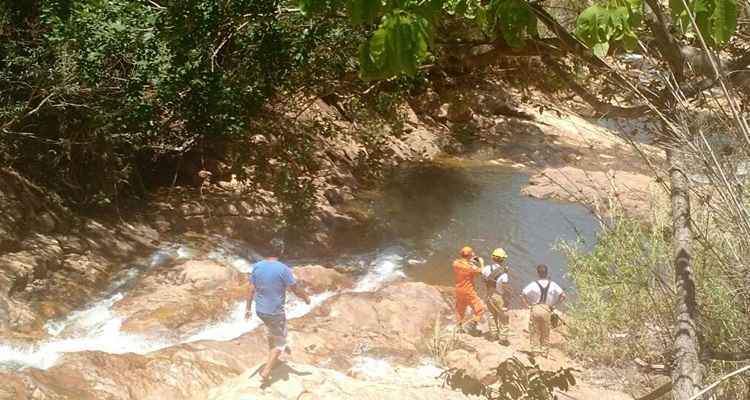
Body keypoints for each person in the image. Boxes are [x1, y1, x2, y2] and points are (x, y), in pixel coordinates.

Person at [245, 239, 310, 383]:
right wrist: (306, 298)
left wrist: (247, 308)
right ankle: (267, 370)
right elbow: (295, 289)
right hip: (274, 312)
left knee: (271, 333)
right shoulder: (283, 269)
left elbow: (250, 289)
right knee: (281, 342)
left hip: (260, 310)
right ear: (280, 251)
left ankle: (273, 360)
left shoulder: (257, 266)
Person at [521, 264, 566, 357]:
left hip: (536, 308)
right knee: (546, 331)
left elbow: (523, 294)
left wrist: (528, 305)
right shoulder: (553, 284)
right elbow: (563, 296)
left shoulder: (533, 284)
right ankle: (544, 352)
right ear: (546, 273)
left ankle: (535, 351)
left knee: (534, 330)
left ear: (538, 273)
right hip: (547, 309)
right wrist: (554, 305)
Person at [481, 248, 511, 346]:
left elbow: (484, 279)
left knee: (491, 314)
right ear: (503, 260)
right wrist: (507, 302)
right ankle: (502, 338)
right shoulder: (504, 274)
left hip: (488, 295)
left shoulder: (486, 268)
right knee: (503, 317)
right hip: (498, 296)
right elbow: (506, 289)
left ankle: (493, 335)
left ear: (492, 258)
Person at [453, 246, 485, 336]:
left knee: (460, 310)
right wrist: (481, 263)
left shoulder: (455, 263)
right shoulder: (470, 267)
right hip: (468, 291)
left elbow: (464, 264)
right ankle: (471, 326)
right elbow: (482, 271)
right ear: (469, 256)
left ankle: (459, 328)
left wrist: (470, 261)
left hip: (458, 289)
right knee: (480, 309)